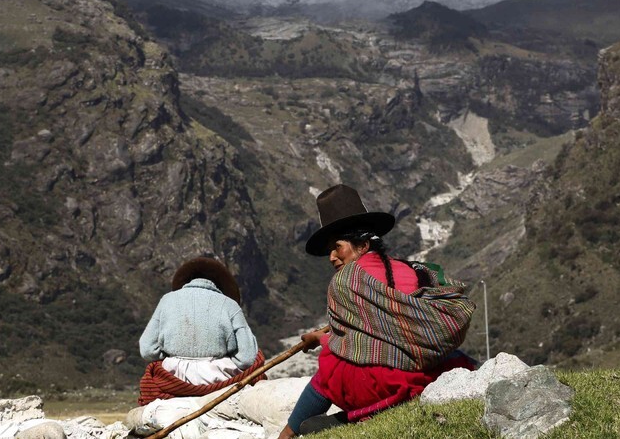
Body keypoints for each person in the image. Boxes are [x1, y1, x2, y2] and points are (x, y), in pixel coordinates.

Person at [279, 185, 476, 437]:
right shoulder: (410, 269)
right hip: (429, 372)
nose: (331, 257)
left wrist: (324, 341)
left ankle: (289, 432)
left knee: (331, 365)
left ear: (361, 245)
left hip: (386, 382)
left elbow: (354, 346)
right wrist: (321, 337)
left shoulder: (345, 281)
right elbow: (389, 334)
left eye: (337, 247)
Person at [138, 256, 265, 405]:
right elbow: (247, 357)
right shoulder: (230, 305)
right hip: (216, 377)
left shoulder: (167, 300)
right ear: (220, 284)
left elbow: (147, 350)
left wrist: (171, 355)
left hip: (173, 377)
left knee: (153, 370)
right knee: (258, 359)